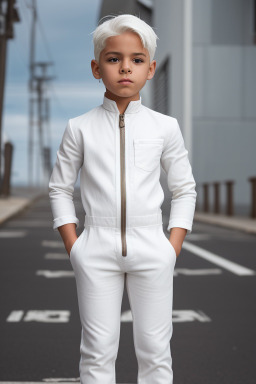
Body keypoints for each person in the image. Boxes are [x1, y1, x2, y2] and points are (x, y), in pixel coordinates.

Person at [49, 13, 197, 384]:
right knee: (97, 350)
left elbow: (184, 188)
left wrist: (171, 247)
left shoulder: (165, 127)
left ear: (151, 68)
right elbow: (60, 188)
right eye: (114, 59)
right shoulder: (78, 128)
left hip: (152, 246)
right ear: (97, 68)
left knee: (155, 350)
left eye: (137, 59)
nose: (125, 68)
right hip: (95, 245)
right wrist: (74, 246)